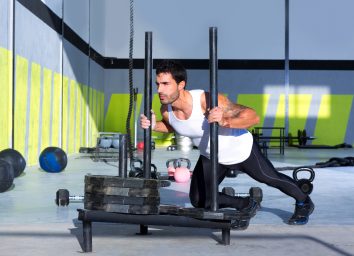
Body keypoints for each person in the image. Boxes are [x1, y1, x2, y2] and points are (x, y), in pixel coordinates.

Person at [140, 60, 314, 225]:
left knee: (270, 178)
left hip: (239, 149)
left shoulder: (205, 100)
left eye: (165, 84)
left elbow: (253, 116)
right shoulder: (166, 109)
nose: (159, 90)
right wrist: (154, 125)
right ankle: (245, 203)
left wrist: (224, 121)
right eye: (158, 84)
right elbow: (174, 126)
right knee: (199, 200)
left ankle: (304, 202)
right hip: (211, 155)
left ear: (181, 84)